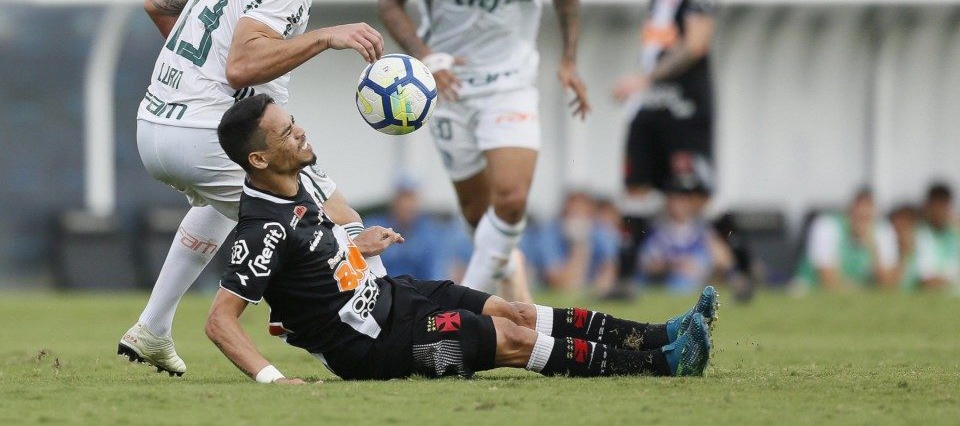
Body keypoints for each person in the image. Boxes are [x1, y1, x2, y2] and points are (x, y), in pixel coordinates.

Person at [205, 94, 716, 383]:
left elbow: (310, 263)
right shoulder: (261, 230)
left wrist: (357, 248)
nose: (300, 133)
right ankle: (663, 364)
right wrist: (274, 381)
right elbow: (219, 321)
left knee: (516, 311)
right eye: (286, 133)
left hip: (395, 296)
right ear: (258, 160)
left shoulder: (299, 188)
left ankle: (664, 331)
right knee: (512, 340)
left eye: (294, 121)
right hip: (374, 347)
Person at [118, 0, 393, 376]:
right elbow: (242, 63)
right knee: (340, 223)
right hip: (202, 132)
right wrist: (325, 36)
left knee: (230, 205)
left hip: (155, 125)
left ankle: (153, 328)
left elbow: (161, 2)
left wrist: (201, 87)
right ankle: (373, 349)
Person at [377, 0, 591, 302]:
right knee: (479, 216)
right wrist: (427, 57)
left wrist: (570, 58)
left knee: (511, 201)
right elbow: (390, 2)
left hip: (511, 83)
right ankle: (513, 283)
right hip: (449, 89)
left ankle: (468, 307)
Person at [612, 0, 750, 297]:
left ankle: (742, 267)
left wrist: (644, 78)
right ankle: (623, 277)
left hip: (685, 104)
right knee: (635, 187)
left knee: (699, 193)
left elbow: (696, 44)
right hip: (650, 103)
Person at [795, 188, 900, 290]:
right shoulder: (827, 225)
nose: (862, 223)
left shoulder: (882, 230)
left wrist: (874, 249)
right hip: (811, 288)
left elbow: (888, 284)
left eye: (867, 217)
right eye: (858, 216)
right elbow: (828, 280)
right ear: (849, 213)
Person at [912, 183, 959, 291]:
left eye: (943, 206)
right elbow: (927, 280)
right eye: (936, 206)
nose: (940, 211)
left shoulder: (955, 234)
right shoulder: (918, 234)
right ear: (928, 206)